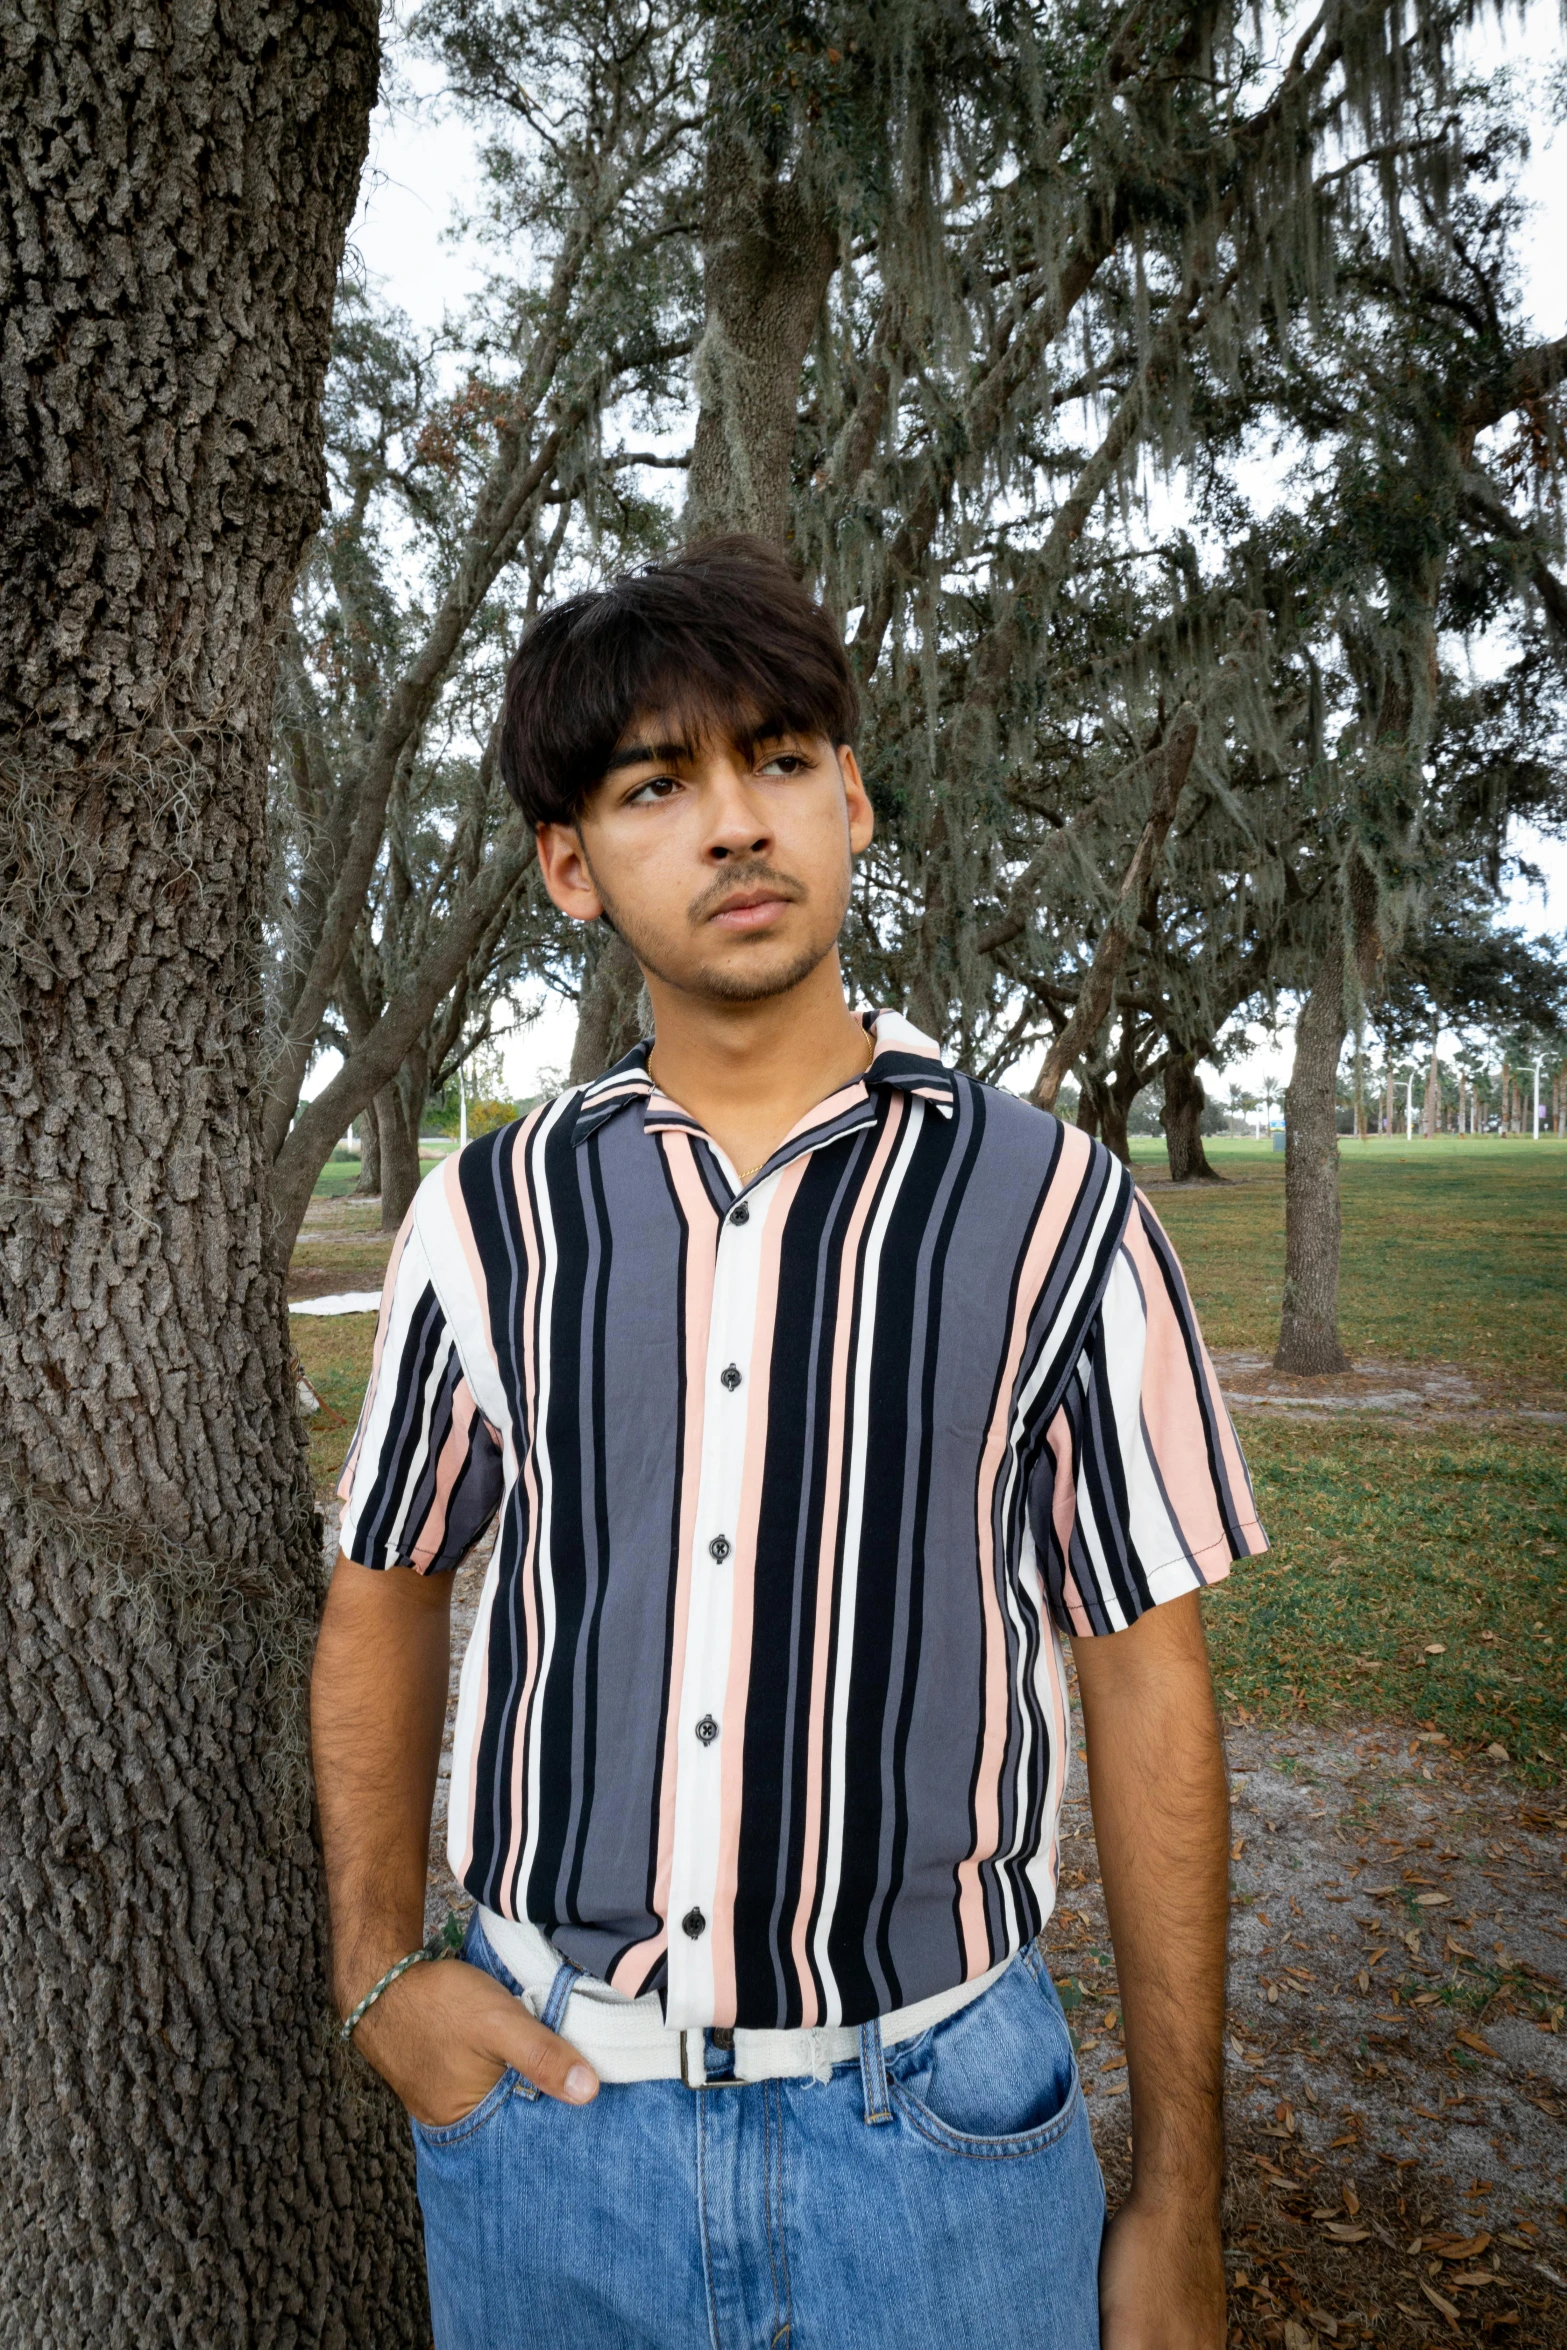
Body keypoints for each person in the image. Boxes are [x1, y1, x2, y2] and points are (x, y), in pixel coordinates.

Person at [312, 536, 1266, 2350]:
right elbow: (381, 1592)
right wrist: (378, 1976)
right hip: (549, 2136)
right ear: (571, 868)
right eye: (656, 784)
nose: (731, 822)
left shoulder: (1054, 1206)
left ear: (853, 798)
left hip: (940, 2146)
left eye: (774, 758)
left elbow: (1149, 1685)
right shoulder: (493, 1215)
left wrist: (1179, 2199)